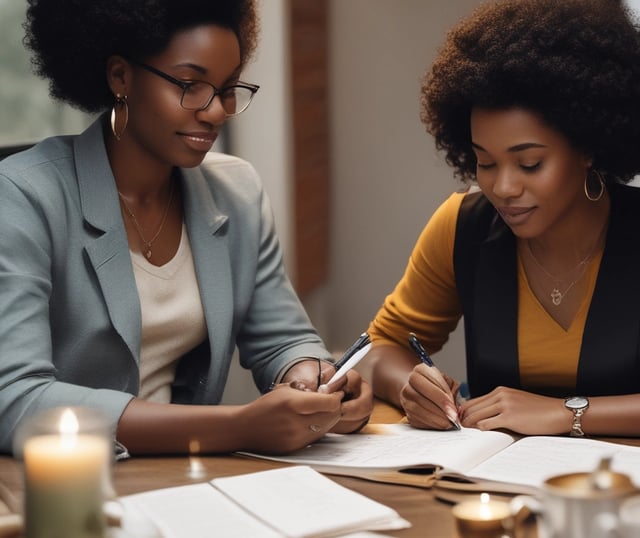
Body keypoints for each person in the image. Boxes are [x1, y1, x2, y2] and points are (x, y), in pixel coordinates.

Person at [366, 0, 640, 441]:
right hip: (501, 493)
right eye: (485, 162)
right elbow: (381, 347)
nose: (502, 187)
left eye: (530, 163)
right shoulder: (462, 226)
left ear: (588, 147)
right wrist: (413, 387)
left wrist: (568, 414)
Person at [0, 0, 372, 456]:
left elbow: (284, 337)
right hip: (66, 487)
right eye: (191, 85)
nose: (216, 111)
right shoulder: (22, 196)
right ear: (121, 76)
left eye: (228, 88)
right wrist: (236, 427)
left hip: (189, 482)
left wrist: (314, 379)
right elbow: (16, 399)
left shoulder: (237, 191)